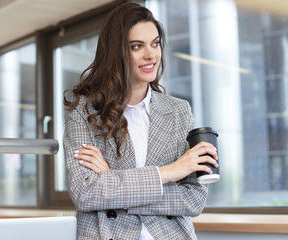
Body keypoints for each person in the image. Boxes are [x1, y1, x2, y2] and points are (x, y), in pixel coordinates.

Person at [63, 3, 218, 240]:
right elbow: (86, 192)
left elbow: (193, 199)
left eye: (155, 43)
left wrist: (112, 181)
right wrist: (171, 172)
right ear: (116, 53)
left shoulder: (178, 110)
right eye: (136, 46)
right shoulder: (84, 110)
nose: (151, 54)